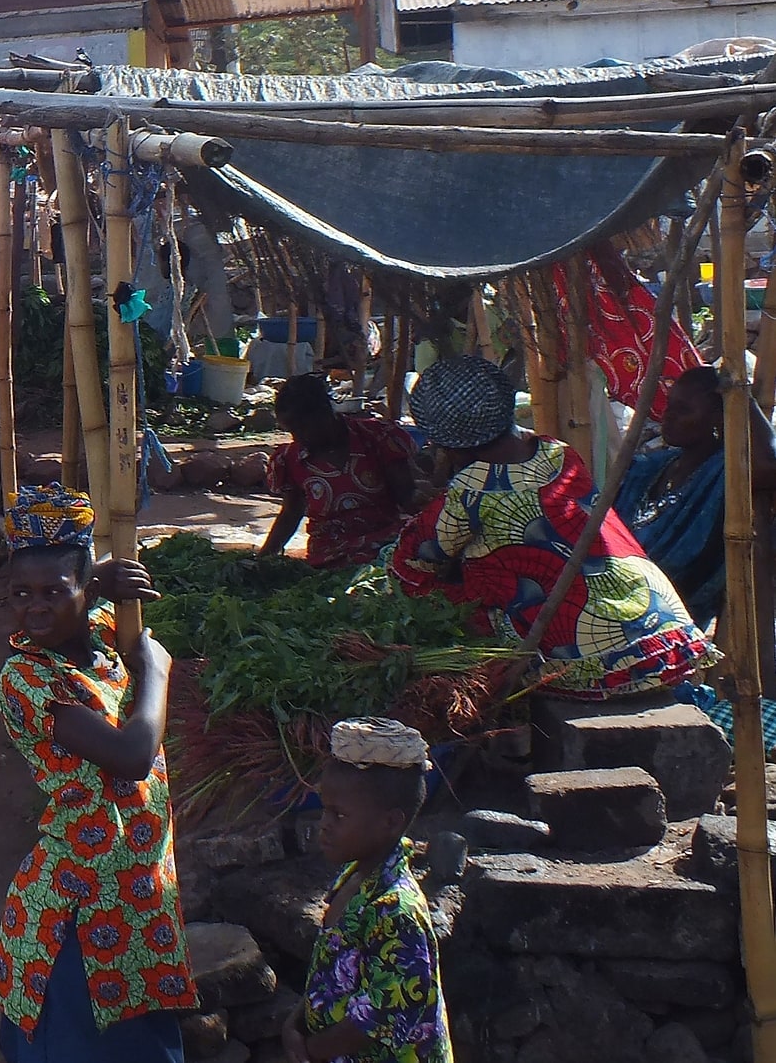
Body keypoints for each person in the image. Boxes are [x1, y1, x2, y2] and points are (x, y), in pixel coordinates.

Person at [0, 490, 196, 1062]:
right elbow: (132, 755)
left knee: (138, 1032)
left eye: (54, 591)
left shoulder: (102, 640)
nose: (35, 607)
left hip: (138, 886)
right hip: (77, 897)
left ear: (84, 593)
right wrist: (156, 671)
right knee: (77, 1040)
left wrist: (98, 579)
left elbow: (97, 599)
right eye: (20, 594)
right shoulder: (27, 679)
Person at [391, 355, 715, 699]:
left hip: (597, 663)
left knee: (436, 586)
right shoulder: (558, 454)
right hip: (667, 636)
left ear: (445, 441)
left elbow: (410, 565)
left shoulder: (471, 491)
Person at [284, 719, 451, 1063]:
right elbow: (331, 973)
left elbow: (383, 1016)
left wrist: (309, 1051)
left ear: (390, 822)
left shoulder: (396, 911)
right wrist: (295, 1022)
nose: (324, 824)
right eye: (324, 809)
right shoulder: (352, 877)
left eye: (339, 814)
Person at [613, 364, 776, 627]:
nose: (668, 416)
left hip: (665, 621)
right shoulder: (648, 468)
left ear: (717, 419)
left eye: (684, 410)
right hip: (609, 598)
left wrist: (741, 396)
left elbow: (769, 464)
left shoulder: (724, 472)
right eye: (670, 405)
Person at [262, 375, 418, 570]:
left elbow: (407, 497)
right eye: (291, 431)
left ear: (325, 414)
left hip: (384, 546)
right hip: (328, 556)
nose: (298, 437)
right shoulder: (290, 459)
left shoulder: (377, 438)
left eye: (302, 428)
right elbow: (291, 513)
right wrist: (263, 558)